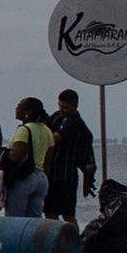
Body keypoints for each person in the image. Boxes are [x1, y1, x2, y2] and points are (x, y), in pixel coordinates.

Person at [46, 90, 96, 228]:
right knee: (49, 211)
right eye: (60, 106)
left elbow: (54, 138)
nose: (61, 110)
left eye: (65, 107)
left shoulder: (76, 124)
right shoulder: (57, 117)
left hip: (67, 176)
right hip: (52, 174)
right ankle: (55, 237)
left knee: (67, 214)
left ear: (74, 106)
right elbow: (45, 127)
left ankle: (73, 240)